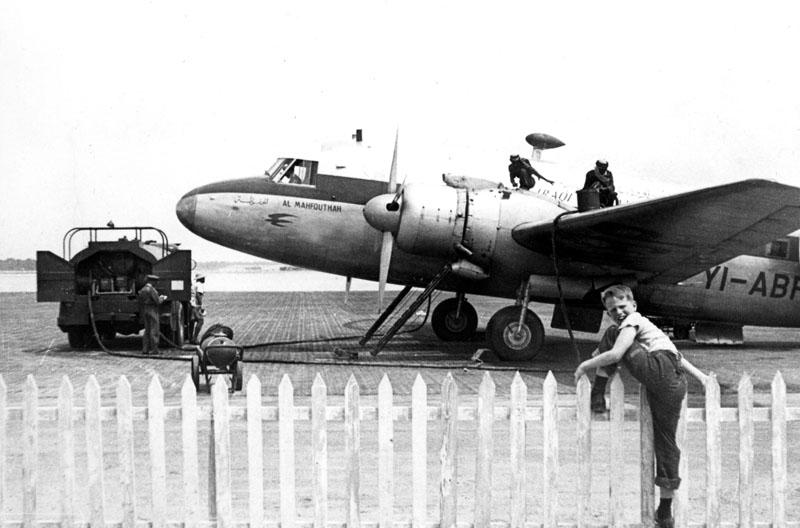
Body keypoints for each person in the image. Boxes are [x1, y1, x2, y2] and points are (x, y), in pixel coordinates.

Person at [573, 285, 708, 528]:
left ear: (634, 307)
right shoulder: (653, 331)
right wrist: (702, 378)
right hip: (675, 382)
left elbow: (616, 354)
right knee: (666, 443)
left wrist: (585, 365)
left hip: (659, 369)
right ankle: (665, 512)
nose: (619, 312)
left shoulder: (632, 321)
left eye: (623, 307)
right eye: (613, 310)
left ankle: (598, 391)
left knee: (613, 335)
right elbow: (677, 356)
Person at [138, 274, 166, 355]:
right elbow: (157, 301)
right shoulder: (151, 290)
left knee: (147, 330)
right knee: (154, 329)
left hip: (145, 309)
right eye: (155, 281)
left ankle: (145, 349)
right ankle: (155, 349)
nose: (156, 283)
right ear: (152, 281)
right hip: (152, 310)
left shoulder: (143, 289)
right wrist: (162, 298)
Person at [190, 272, 206, 344]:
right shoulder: (200, 285)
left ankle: (191, 338)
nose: (204, 279)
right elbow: (198, 295)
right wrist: (201, 305)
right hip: (196, 305)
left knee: (192, 321)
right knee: (200, 321)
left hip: (191, 304)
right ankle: (194, 338)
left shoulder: (194, 285)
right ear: (201, 279)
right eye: (203, 278)